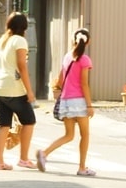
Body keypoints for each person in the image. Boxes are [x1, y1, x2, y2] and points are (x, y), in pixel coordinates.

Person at [37, 29, 95, 176]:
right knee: (85, 135)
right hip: (80, 102)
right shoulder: (85, 60)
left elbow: (60, 80)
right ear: (88, 41)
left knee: (68, 135)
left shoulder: (67, 57)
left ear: (73, 40)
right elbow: (84, 84)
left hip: (66, 101)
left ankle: (44, 153)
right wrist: (89, 105)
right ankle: (82, 168)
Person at [0, 11, 37, 170]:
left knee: (3, 125)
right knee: (29, 121)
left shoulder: (3, 40)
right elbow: (22, 66)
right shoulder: (20, 41)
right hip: (14, 88)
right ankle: (23, 159)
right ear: (24, 27)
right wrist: (29, 91)